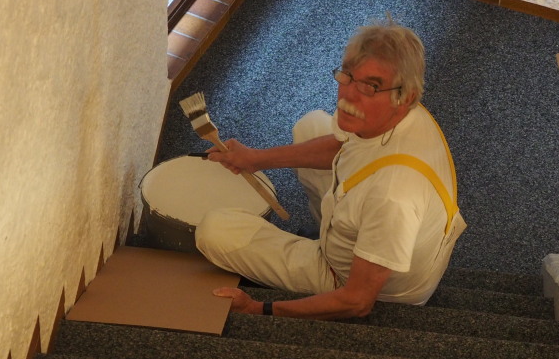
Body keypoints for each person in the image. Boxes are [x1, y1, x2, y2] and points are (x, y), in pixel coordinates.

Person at [194, 20, 465, 320]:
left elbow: (357, 301)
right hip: (376, 224)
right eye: (347, 75)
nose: (349, 96)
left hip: (361, 283)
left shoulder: (393, 196)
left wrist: (259, 308)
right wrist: (255, 159)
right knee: (310, 125)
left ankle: (326, 254)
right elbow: (340, 146)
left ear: (406, 97)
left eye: (371, 86)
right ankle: (330, 235)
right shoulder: (395, 113)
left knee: (212, 231)